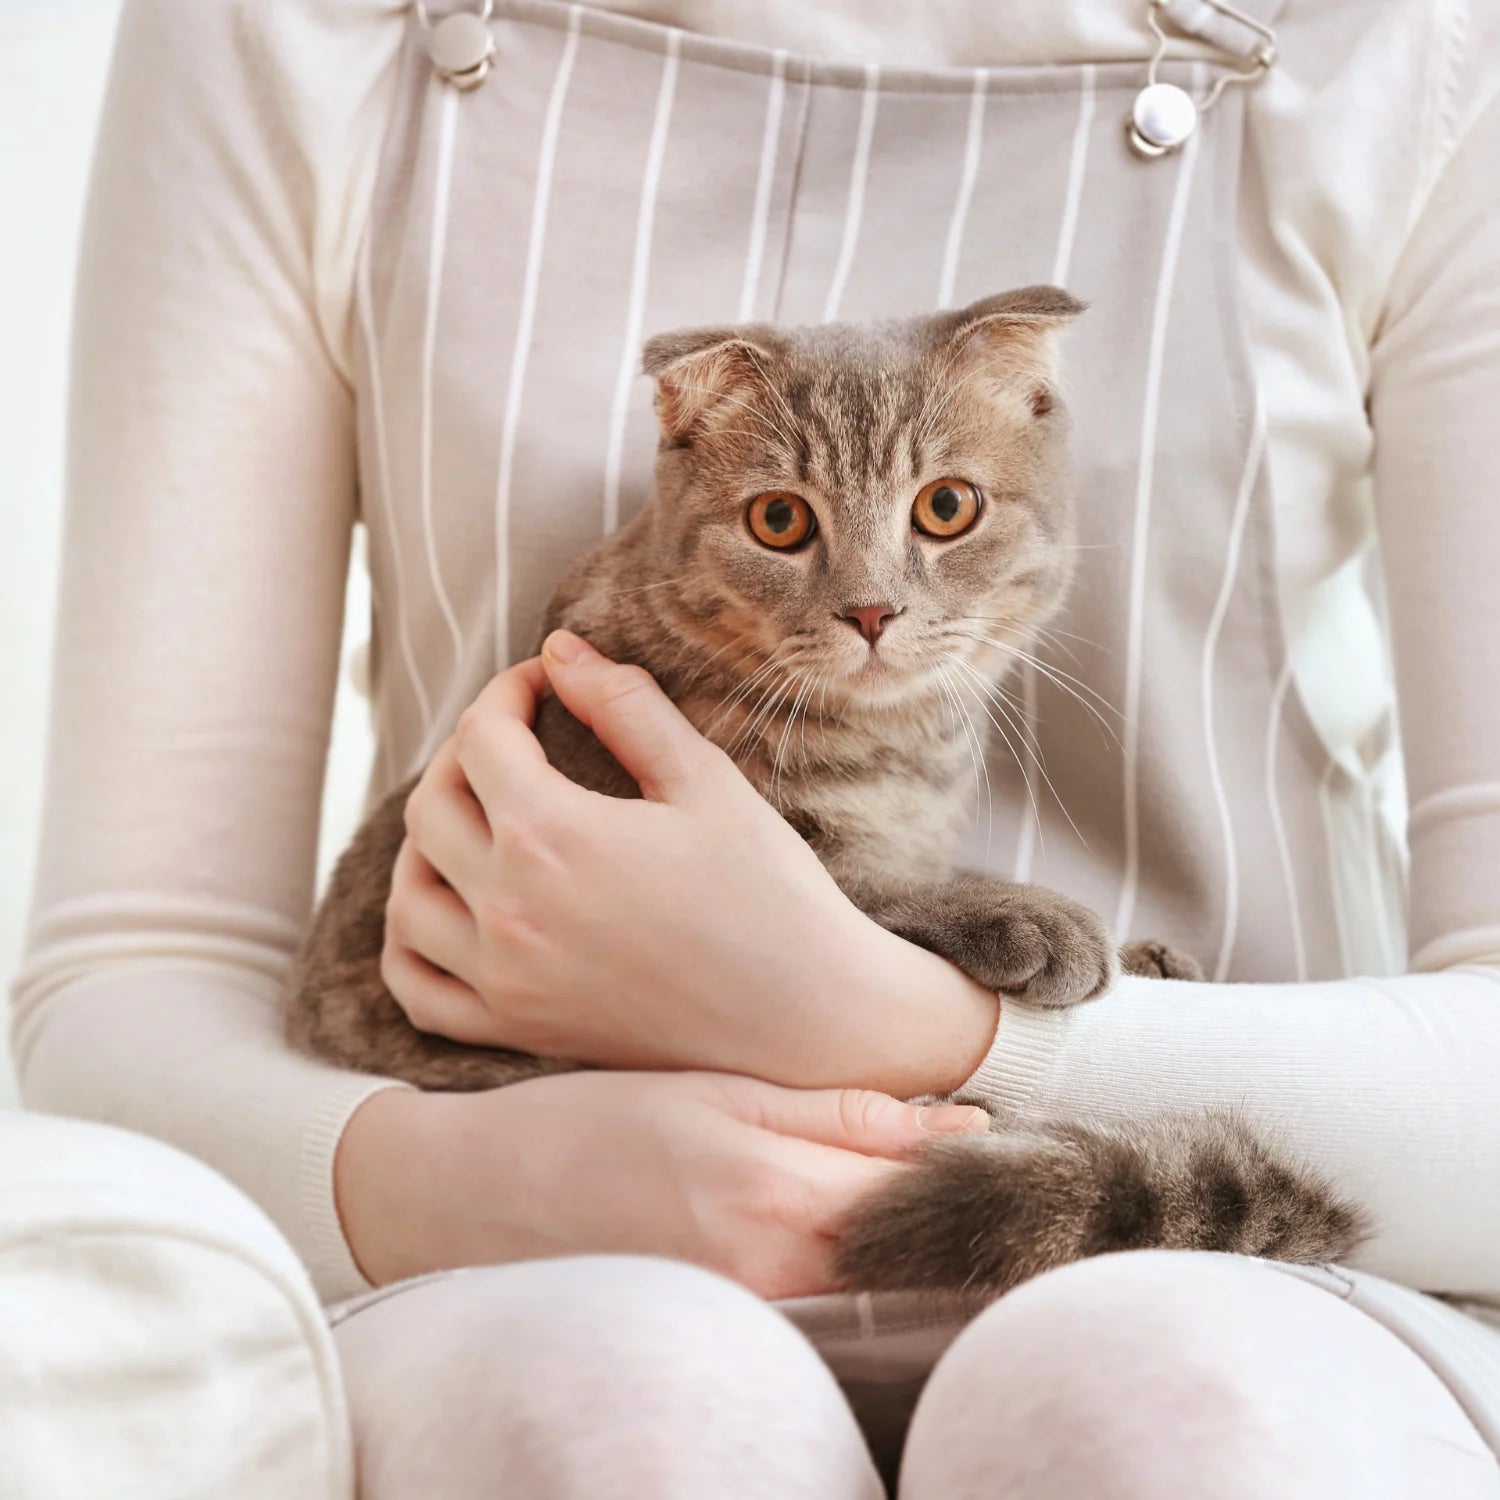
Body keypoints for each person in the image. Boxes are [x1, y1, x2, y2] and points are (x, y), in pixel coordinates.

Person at [12, 0, 1500, 1494]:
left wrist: (899, 1022)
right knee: (629, 1403)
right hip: (515, 1222)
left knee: (1157, 1400)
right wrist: (479, 1177)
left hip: (1248, 1178)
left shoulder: (1419, 43)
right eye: (786, 523)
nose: (870, 602)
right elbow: (133, 971)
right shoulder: (284, 31)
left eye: (940, 515)